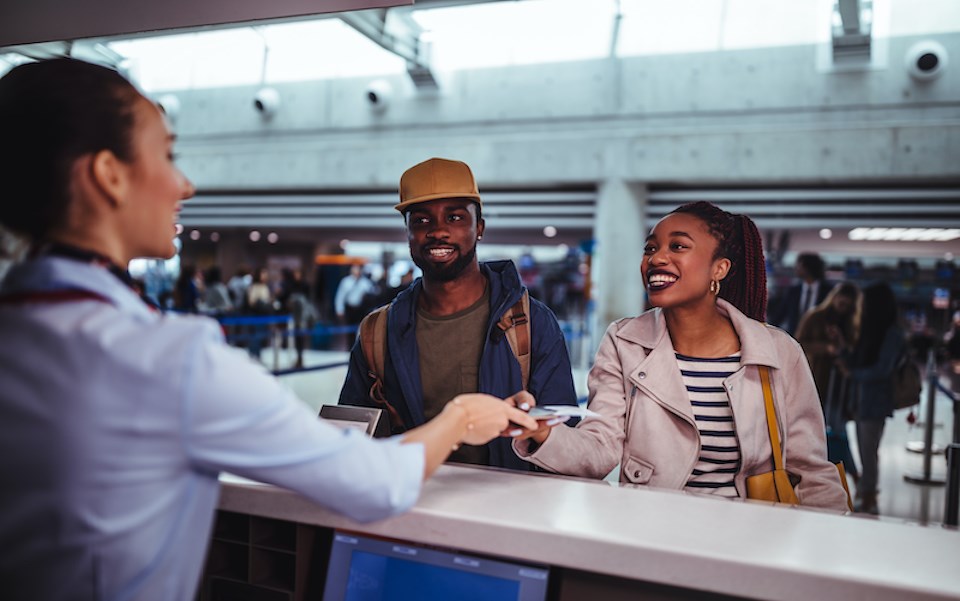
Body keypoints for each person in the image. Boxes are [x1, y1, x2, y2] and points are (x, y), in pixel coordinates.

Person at [0, 58, 538, 601]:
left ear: (478, 227)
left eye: (454, 217)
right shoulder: (167, 360)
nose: (184, 184)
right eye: (166, 154)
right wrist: (462, 417)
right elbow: (373, 479)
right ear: (108, 175)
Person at [510, 201, 849, 510]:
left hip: (752, 540)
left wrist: (826, 550)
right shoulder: (624, 342)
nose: (656, 258)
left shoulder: (777, 352)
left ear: (719, 268)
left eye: (678, 246)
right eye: (651, 248)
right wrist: (541, 432)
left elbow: (810, 470)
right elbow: (601, 448)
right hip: (652, 530)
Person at [338, 157, 578, 471]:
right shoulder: (378, 331)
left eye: (454, 217)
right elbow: (353, 433)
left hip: (509, 507)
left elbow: (566, 442)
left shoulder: (531, 323)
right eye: (421, 221)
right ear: (408, 232)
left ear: (479, 227)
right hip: (411, 504)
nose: (438, 231)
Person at [837, 282, 907, 514]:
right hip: (859, 400)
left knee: (869, 450)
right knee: (865, 449)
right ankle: (866, 492)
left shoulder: (892, 334)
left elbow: (882, 370)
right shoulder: (868, 329)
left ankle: (869, 494)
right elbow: (858, 359)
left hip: (875, 402)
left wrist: (853, 374)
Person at [795, 282, 861, 481]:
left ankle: (842, 472)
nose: (843, 306)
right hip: (816, 381)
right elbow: (798, 343)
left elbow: (853, 351)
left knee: (837, 431)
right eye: (841, 301)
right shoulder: (815, 317)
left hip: (840, 388)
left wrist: (841, 345)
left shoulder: (850, 323)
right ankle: (833, 472)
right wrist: (825, 348)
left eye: (847, 304)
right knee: (817, 430)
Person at [770, 252, 830, 336]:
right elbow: (780, 315)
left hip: (818, 339)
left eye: (799, 265)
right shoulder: (793, 291)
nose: (796, 268)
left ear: (808, 267)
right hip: (795, 338)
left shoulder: (828, 291)